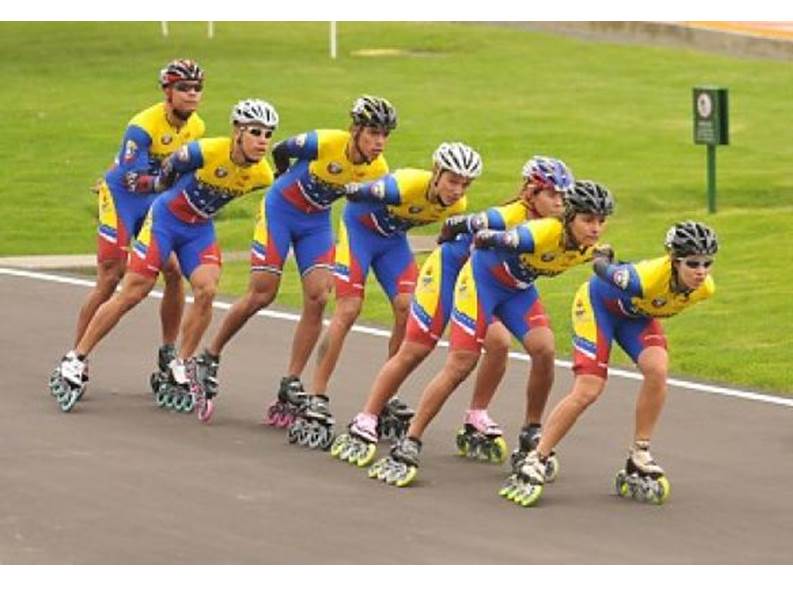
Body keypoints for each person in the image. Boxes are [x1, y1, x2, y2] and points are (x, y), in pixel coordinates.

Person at [330, 156, 572, 470]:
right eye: (553, 194)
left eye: (563, 196)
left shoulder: (558, 225)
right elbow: (458, 224)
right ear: (530, 192)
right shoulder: (506, 216)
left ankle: (488, 419)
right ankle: (367, 418)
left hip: (496, 283)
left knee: (519, 346)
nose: (559, 202)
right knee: (417, 349)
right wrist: (449, 239)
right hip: (450, 272)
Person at [369, 179, 615, 488]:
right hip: (482, 282)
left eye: (601, 221)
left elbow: (603, 259)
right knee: (462, 362)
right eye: (587, 220)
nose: (595, 228)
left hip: (517, 290)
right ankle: (412, 438)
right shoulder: (541, 233)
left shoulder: (587, 247)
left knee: (545, 349)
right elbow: (497, 238)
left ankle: (531, 431)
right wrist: (485, 237)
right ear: (569, 217)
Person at [49, 99, 279, 419]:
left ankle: (180, 364)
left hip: (198, 230)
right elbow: (170, 165)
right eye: (255, 132)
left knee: (207, 290)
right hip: (166, 221)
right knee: (134, 290)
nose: (263, 140)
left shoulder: (262, 175)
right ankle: (76, 357)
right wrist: (158, 188)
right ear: (237, 132)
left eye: (269, 134)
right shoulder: (204, 151)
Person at [204, 95, 396, 446]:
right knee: (263, 292)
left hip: (316, 222)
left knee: (319, 295)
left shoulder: (378, 169)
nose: (379, 142)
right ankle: (210, 354)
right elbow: (280, 148)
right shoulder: (325, 142)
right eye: (372, 133)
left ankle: (292, 380)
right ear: (354, 130)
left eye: (385, 135)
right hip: (281, 211)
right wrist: (281, 177)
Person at [505, 221, 718, 507]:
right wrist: (602, 256)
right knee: (589, 389)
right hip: (599, 307)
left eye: (707, 263)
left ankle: (640, 453)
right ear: (674, 261)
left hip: (636, 314)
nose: (701, 272)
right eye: (693, 263)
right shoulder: (643, 277)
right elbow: (601, 268)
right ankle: (537, 457)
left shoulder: (705, 288)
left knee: (658, 370)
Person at [56, 59, 206, 397]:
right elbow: (130, 177)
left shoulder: (196, 126)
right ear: (168, 92)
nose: (192, 95)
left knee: (173, 270)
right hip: (123, 200)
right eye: (184, 88)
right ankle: (76, 356)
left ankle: (169, 352)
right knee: (111, 276)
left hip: (154, 203)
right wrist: (166, 180)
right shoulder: (142, 126)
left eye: (197, 89)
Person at [321, 142, 480, 459]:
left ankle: (386, 393)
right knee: (349, 308)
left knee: (407, 309)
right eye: (452, 180)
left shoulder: (458, 204)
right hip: (360, 232)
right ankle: (317, 394)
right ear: (436, 173)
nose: (457, 189)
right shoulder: (404, 184)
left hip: (392, 242)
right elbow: (355, 196)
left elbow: (448, 233)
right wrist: (365, 189)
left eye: (464, 183)